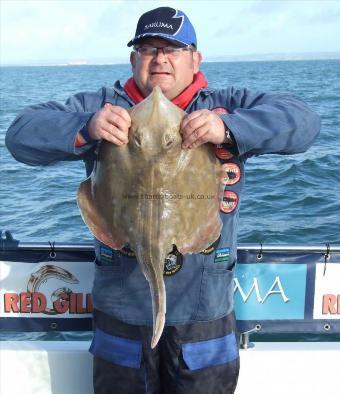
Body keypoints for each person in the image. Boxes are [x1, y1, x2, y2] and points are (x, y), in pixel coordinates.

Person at [6, 6, 320, 394]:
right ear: (134, 59)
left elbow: (304, 122)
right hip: (122, 309)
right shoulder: (104, 106)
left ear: (195, 58)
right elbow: (20, 134)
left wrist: (229, 128)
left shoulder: (225, 104)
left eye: (172, 48)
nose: (160, 59)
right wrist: (85, 127)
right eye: (149, 49)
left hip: (205, 310)